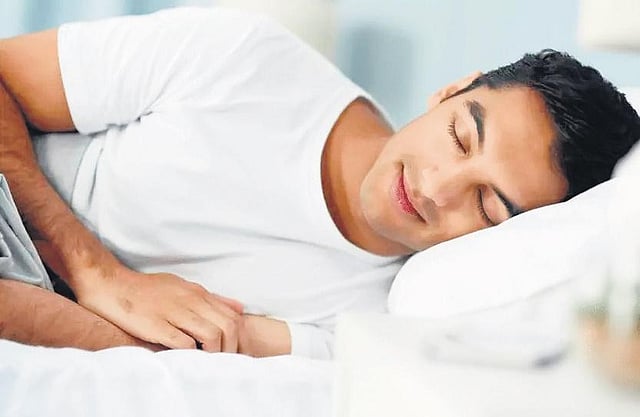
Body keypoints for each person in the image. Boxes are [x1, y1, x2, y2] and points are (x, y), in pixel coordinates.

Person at [0, 7, 638, 359]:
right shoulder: (243, 57)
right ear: (451, 90)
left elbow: (161, 350)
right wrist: (96, 272)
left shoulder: (375, 323)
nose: (437, 187)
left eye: (488, 207)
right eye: (460, 137)